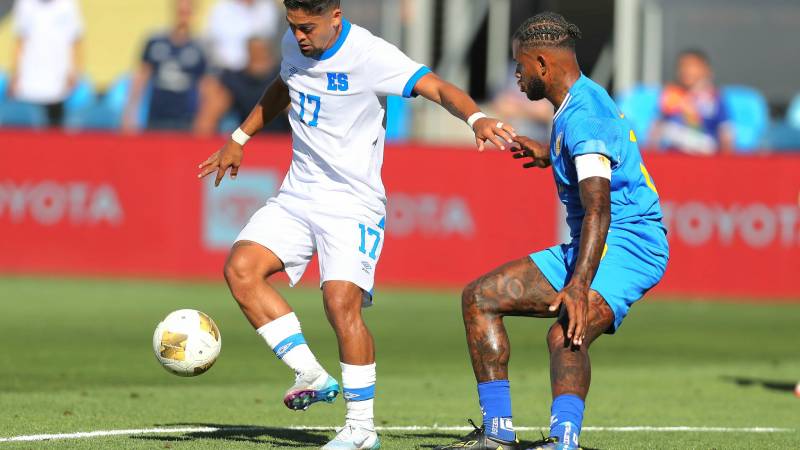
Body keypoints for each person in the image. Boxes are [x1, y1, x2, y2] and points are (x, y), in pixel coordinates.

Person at [196, 1, 515, 449]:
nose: (300, 37)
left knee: (339, 302)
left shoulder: (371, 56)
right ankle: (309, 372)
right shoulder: (294, 44)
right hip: (298, 193)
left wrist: (476, 118)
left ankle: (361, 429)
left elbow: (437, 87)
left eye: (308, 28)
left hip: (352, 204)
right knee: (241, 269)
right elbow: (283, 85)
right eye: (293, 27)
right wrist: (239, 138)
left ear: (336, 17)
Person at [436, 12, 669, 450]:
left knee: (566, 330)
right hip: (598, 238)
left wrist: (579, 286)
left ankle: (564, 441)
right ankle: (498, 434)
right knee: (479, 298)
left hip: (629, 242)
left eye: (520, 66)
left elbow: (599, 207)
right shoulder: (576, 104)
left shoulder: (585, 115)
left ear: (542, 63)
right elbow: (597, 165)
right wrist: (549, 154)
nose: (517, 76)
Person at [123, 0, 208, 132]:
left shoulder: (199, 48)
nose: (183, 17)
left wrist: (202, 119)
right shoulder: (156, 42)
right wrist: (130, 113)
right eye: (180, 12)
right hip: (157, 114)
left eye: (187, 13)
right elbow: (141, 77)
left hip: (185, 118)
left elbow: (204, 86)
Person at [193, 37, 289, 136]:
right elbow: (207, 120)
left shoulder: (285, 76)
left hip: (283, 140)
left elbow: (298, 113)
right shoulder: (235, 80)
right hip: (247, 140)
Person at [9, 0, 83, 126]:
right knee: (28, 129)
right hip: (30, 79)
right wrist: (16, 73)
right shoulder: (24, 4)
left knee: (55, 132)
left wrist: (74, 72)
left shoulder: (68, 4)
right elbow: (20, 41)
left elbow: (75, 40)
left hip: (58, 80)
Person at [649, 49, 734, 155]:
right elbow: (657, 129)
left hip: (706, 156)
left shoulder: (715, 99)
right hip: (674, 157)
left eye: (693, 66)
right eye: (682, 66)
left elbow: (725, 132)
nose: (686, 70)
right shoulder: (670, 96)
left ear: (706, 70)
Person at [205, 0, 280, 71]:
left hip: (259, 71)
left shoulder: (267, 7)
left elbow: (268, 43)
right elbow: (212, 45)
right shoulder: (221, 8)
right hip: (226, 70)